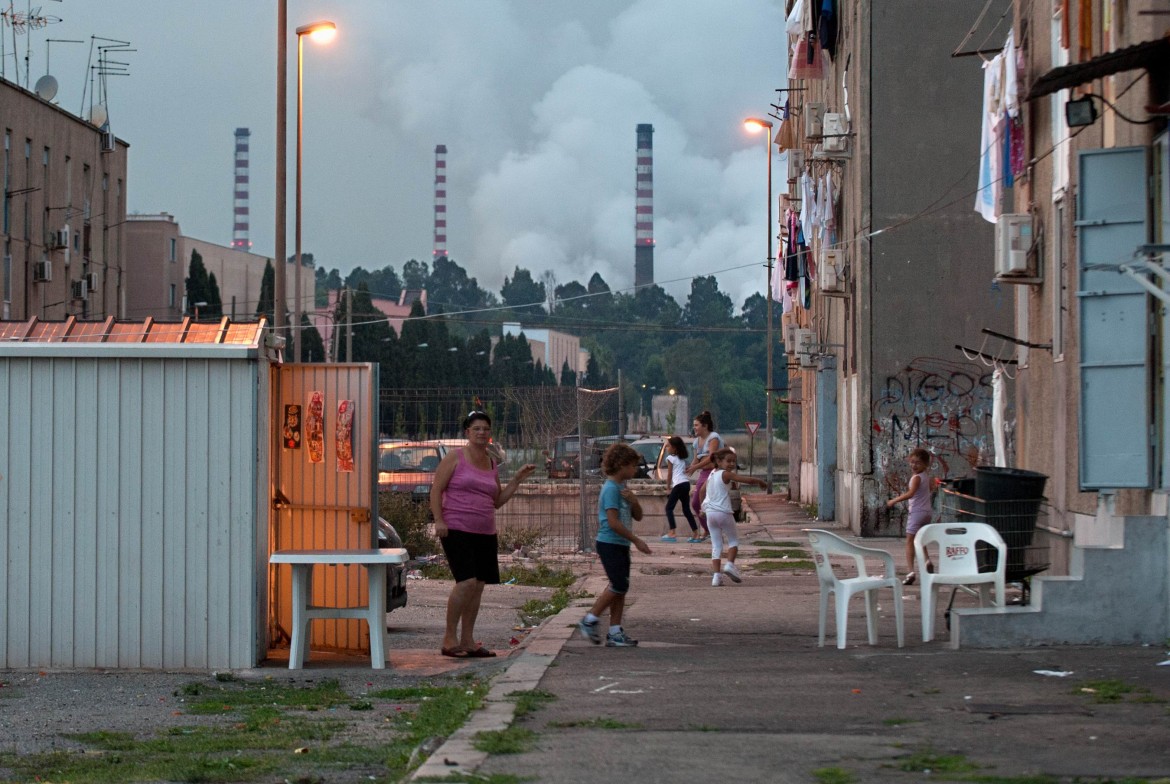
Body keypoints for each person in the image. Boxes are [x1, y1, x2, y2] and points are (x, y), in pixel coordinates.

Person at [431, 411, 536, 658]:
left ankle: (468, 640)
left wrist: (518, 479)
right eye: (476, 429)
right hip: (456, 527)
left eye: (485, 429)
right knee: (465, 582)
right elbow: (436, 490)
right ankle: (449, 638)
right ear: (467, 432)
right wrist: (439, 520)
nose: (481, 433)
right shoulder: (454, 458)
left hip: (485, 530)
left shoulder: (490, 463)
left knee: (477, 586)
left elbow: (497, 500)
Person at [577, 443, 650, 647]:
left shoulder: (623, 489)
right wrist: (636, 540)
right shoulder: (610, 489)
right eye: (633, 466)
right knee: (617, 585)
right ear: (621, 465)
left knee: (622, 588)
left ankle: (615, 631)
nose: (635, 470)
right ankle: (589, 620)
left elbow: (639, 516)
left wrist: (634, 501)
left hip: (620, 544)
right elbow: (613, 522)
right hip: (609, 543)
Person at [698, 448, 767, 586]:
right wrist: (760, 481)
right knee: (733, 541)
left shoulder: (711, 474)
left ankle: (716, 577)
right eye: (728, 461)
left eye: (734, 461)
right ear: (719, 461)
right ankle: (730, 565)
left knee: (716, 545)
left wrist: (702, 507)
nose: (731, 464)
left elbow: (701, 491)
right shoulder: (726, 474)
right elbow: (746, 479)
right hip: (723, 512)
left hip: (710, 514)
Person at [886, 446, 935, 585]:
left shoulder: (916, 478)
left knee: (909, 541)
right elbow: (929, 490)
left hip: (917, 513)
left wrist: (893, 500)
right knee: (921, 539)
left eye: (917, 463)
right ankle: (927, 560)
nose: (914, 465)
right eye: (912, 462)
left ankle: (910, 572)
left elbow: (911, 493)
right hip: (927, 512)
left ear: (925, 465)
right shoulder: (926, 476)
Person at [687, 410, 725, 541]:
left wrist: (695, 467)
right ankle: (708, 529)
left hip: (714, 472)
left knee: (705, 499)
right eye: (694, 425)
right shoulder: (697, 441)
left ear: (705, 426)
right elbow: (696, 459)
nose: (694, 428)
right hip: (703, 473)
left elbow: (711, 458)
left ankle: (715, 529)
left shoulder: (713, 437)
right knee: (696, 503)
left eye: (696, 425)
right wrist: (690, 468)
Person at [660, 436, 699, 543]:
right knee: (686, 510)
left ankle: (672, 532)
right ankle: (695, 533)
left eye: (668, 446)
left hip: (678, 485)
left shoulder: (670, 458)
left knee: (669, 508)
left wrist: (668, 488)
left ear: (674, 448)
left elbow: (669, 474)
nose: (667, 448)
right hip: (686, 484)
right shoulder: (681, 459)